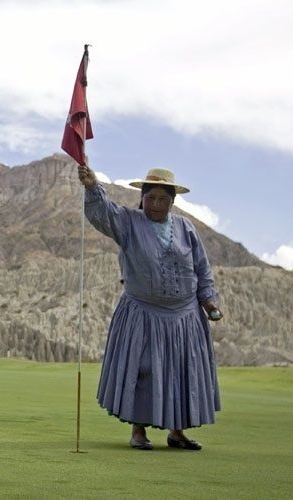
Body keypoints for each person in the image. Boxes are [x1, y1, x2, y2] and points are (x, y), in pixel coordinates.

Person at [77, 160, 222, 451]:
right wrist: (93, 187)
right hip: (142, 313)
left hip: (185, 316)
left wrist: (208, 301)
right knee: (143, 370)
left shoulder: (185, 228)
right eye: (151, 197)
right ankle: (138, 431)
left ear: (173, 202)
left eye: (163, 199)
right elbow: (102, 213)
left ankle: (177, 432)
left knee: (183, 371)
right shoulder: (128, 222)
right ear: (142, 198)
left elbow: (201, 267)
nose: (156, 204)